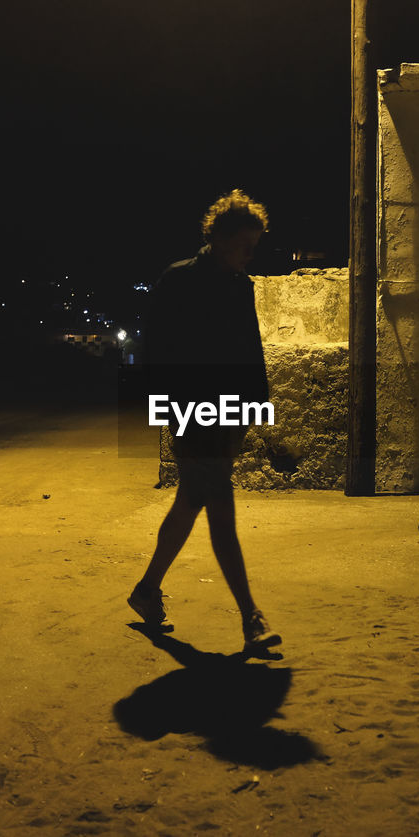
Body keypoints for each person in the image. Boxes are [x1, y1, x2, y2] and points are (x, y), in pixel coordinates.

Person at [127, 189, 281, 652]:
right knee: (221, 510)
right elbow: (155, 356)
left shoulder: (241, 287)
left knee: (192, 501)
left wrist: (252, 412)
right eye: (245, 245)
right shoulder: (178, 281)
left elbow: (251, 356)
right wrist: (171, 412)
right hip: (190, 412)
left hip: (227, 414)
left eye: (255, 245)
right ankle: (251, 617)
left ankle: (146, 591)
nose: (251, 255)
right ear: (220, 238)